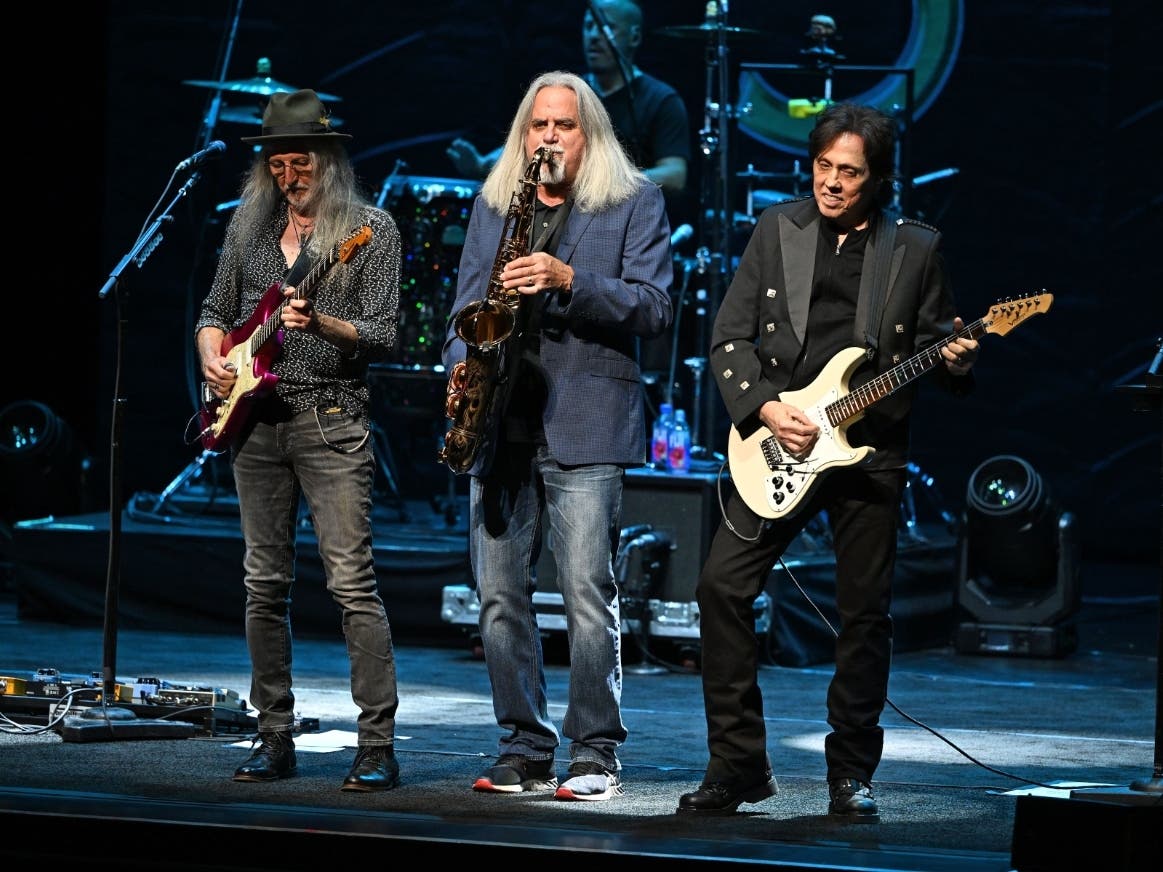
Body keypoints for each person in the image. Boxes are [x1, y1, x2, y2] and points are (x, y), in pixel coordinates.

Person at [678, 102, 980, 822]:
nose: (832, 183)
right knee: (720, 587)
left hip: (867, 451)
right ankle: (736, 765)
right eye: (823, 166)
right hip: (781, 440)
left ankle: (850, 771)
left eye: (849, 172)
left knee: (862, 617)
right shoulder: (777, 229)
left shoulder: (912, 248)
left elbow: (938, 350)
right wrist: (764, 408)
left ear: (876, 179)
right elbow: (728, 338)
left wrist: (958, 361)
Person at [442, 70, 673, 801]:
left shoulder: (634, 201)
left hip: (585, 419)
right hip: (499, 422)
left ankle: (594, 751)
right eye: (537, 125)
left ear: (588, 133)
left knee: (584, 593)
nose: (547, 137)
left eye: (562, 125)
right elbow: (465, 307)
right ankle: (522, 744)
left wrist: (570, 278)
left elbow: (654, 308)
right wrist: (458, 369)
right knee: (498, 597)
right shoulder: (494, 202)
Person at [195, 89, 404, 792]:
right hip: (255, 425)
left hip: (331, 421)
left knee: (351, 583)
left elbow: (383, 334)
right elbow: (215, 311)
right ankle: (272, 733)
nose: (291, 174)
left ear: (330, 159)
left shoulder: (369, 230)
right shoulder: (248, 231)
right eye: (279, 163)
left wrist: (323, 327)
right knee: (263, 585)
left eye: (302, 160)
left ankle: (376, 745)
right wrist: (211, 354)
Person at [446, 0, 690, 210]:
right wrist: (481, 163)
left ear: (634, 36)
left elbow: (675, 176)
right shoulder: (569, 93)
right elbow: (530, 146)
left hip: (630, 224)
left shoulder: (661, 99)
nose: (594, 36)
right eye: (588, 26)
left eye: (607, 28)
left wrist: (607, 181)